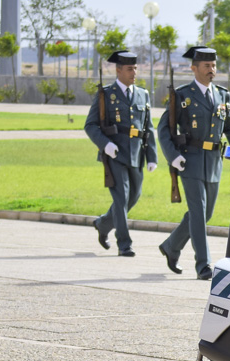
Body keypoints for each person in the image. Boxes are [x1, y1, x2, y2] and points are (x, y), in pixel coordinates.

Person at [157, 46, 230, 280]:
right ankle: (203, 265)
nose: (211, 70)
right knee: (197, 213)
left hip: (214, 161)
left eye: (214, 65)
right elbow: (164, 128)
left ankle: (171, 246)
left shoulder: (222, 95)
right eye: (206, 66)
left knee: (206, 214)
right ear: (193, 68)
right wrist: (173, 157)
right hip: (190, 160)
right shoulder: (182, 95)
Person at [83, 51, 157, 257]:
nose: (134, 73)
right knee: (121, 197)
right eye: (129, 69)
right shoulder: (106, 94)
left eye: (135, 68)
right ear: (118, 71)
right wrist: (105, 144)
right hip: (114, 153)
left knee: (134, 196)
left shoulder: (143, 94)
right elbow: (90, 125)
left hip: (136, 153)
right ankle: (124, 244)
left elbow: (148, 128)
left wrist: (152, 156)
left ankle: (103, 223)